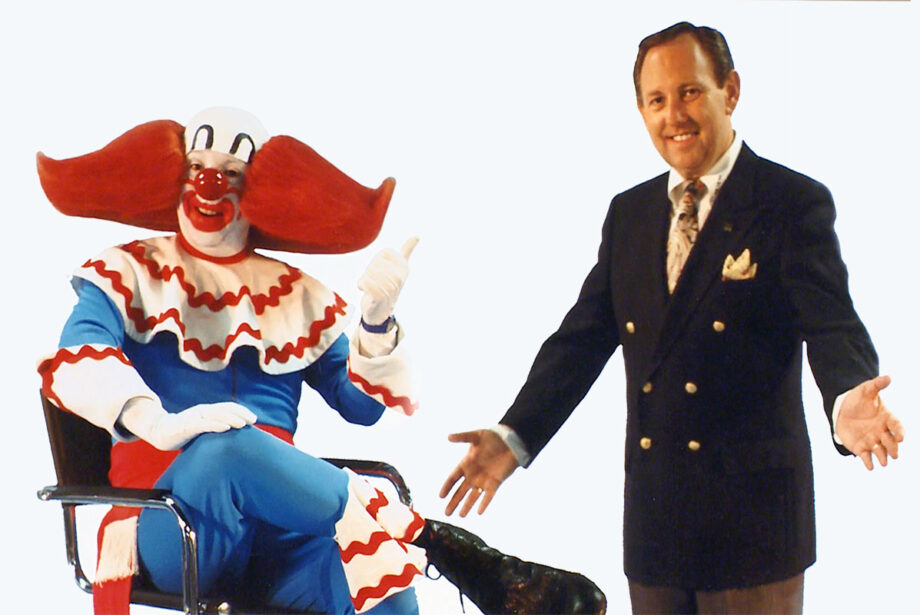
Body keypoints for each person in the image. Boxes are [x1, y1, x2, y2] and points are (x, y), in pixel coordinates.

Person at [36, 107, 606, 615]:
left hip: (277, 531)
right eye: (198, 167)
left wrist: (376, 321)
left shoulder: (293, 294)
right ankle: (442, 543)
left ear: (256, 190)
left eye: (232, 173)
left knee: (381, 578)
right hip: (168, 521)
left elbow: (360, 407)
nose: (210, 184)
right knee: (230, 446)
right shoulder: (127, 271)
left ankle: (417, 544)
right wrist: (154, 422)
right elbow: (79, 352)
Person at [440, 22, 905, 615]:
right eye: (657, 100)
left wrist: (846, 401)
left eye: (689, 92)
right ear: (640, 110)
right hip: (658, 523)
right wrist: (516, 435)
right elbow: (580, 341)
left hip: (754, 529)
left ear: (729, 91)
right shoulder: (629, 213)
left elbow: (832, 324)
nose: (673, 115)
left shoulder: (789, 202)